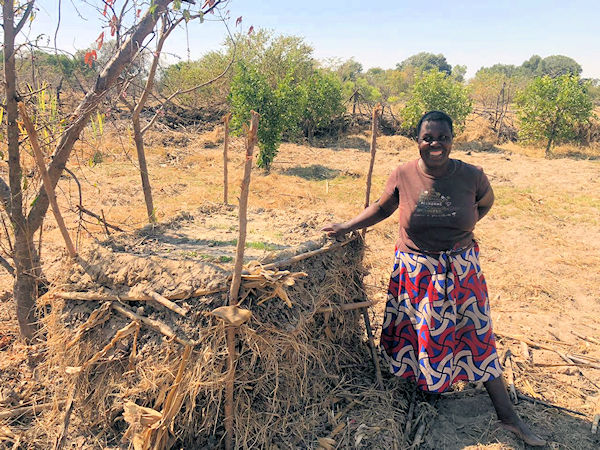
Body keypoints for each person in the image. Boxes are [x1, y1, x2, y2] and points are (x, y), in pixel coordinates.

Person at [323, 111, 545, 446]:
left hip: (461, 271)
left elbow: (484, 204)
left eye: (442, 137)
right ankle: (427, 390)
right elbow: (383, 209)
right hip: (416, 271)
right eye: (428, 137)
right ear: (418, 141)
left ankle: (508, 417)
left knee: (477, 338)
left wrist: (460, 231)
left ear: (452, 140)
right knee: (420, 335)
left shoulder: (472, 175)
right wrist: (346, 226)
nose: (435, 144)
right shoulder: (403, 174)